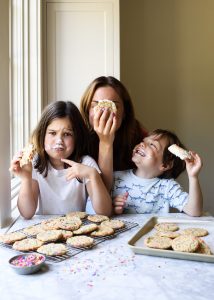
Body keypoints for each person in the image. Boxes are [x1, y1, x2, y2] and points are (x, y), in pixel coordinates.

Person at [10, 101, 112, 219]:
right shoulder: (35, 163)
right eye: (52, 133)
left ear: (77, 137)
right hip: (45, 230)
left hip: (76, 230)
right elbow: (27, 213)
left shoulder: (85, 164)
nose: (59, 141)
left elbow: (105, 212)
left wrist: (93, 175)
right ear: (42, 135)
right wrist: (26, 179)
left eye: (67, 134)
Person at [113, 129, 203, 217]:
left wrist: (193, 177)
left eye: (152, 145)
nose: (142, 144)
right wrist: (113, 207)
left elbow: (194, 211)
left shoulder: (167, 187)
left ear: (165, 165)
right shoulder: (115, 178)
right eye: (143, 141)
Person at [80, 76, 147, 191]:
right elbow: (101, 192)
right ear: (87, 110)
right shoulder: (76, 138)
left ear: (124, 112)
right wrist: (105, 142)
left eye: (113, 105)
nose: (104, 112)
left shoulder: (139, 137)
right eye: (96, 105)